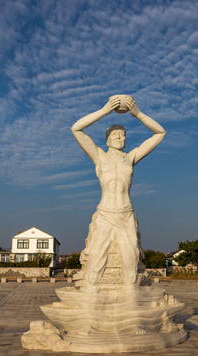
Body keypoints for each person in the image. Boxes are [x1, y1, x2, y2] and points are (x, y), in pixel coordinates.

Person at [71, 95, 166, 287]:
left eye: (123, 135)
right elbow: (76, 128)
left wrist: (138, 114)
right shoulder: (99, 157)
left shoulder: (130, 158)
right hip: (105, 213)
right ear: (107, 140)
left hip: (126, 213)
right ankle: (92, 302)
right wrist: (105, 111)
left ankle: (131, 300)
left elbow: (160, 133)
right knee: (96, 262)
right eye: (115, 135)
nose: (120, 138)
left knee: (131, 260)